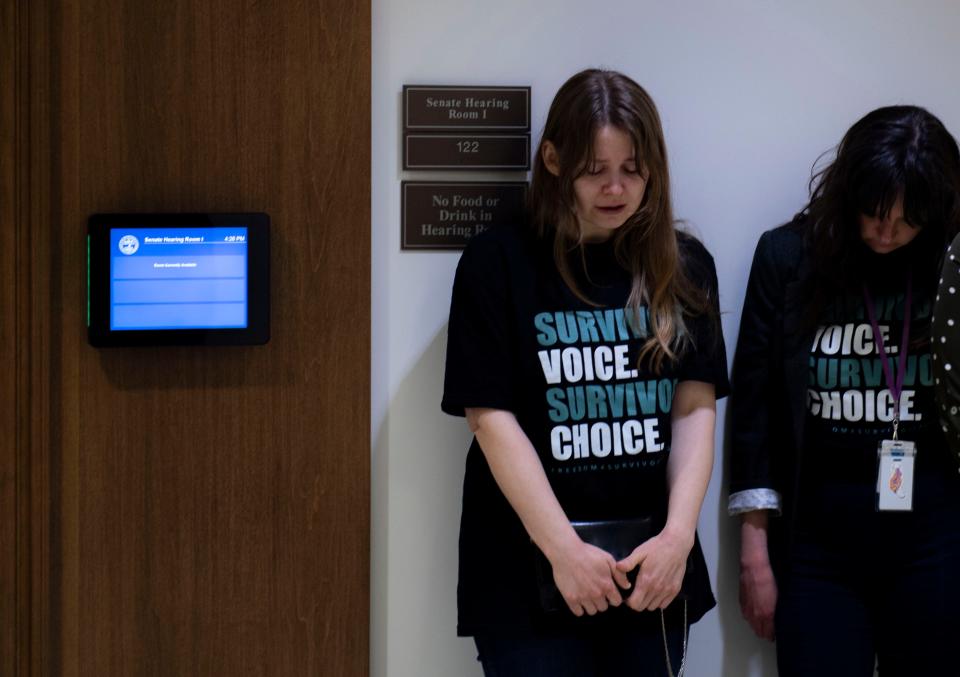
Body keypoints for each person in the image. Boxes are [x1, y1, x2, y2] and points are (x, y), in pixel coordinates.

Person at [442, 69, 728, 677]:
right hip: (527, 572)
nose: (616, 188)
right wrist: (563, 552)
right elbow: (489, 418)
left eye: (633, 168)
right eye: (595, 169)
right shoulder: (497, 263)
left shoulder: (685, 268)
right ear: (553, 159)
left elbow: (695, 411)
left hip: (650, 570)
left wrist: (678, 539)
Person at [729, 106, 960, 676]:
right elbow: (754, 413)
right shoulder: (789, 257)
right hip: (818, 547)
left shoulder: (949, 262)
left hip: (935, 539)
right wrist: (754, 553)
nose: (888, 232)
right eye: (876, 213)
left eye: (909, 220)